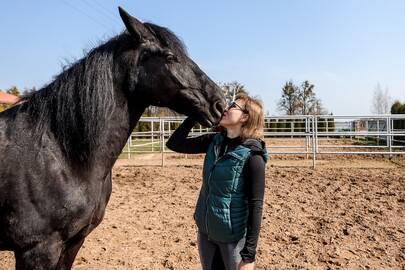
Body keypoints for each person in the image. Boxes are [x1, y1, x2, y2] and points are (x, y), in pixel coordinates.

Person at [166, 93, 268, 270]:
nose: (226, 108)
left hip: (233, 239)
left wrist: (249, 254)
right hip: (206, 233)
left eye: (233, 106)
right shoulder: (214, 141)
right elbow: (175, 144)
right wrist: (194, 115)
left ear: (245, 117)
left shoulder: (253, 156)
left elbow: (256, 205)